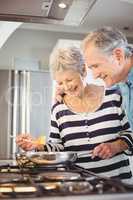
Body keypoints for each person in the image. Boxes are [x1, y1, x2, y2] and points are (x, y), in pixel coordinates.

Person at [16, 47, 133, 183]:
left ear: (83, 70)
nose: (66, 87)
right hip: (80, 187)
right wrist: (37, 145)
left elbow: (131, 133)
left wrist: (116, 146)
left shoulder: (115, 96)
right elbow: (58, 147)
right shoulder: (59, 109)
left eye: (69, 80)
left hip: (119, 186)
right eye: (60, 82)